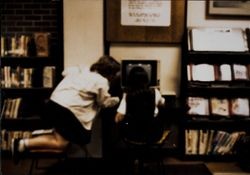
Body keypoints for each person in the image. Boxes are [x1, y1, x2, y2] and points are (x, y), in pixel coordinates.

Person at [11, 55, 121, 162]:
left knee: (61, 142)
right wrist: (117, 100)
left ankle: (24, 147)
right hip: (65, 111)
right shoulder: (102, 81)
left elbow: (64, 72)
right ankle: (23, 144)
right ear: (110, 73)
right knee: (61, 144)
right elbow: (103, 103)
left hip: (52, 104)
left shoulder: (82, 70)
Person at [115, 66, 165, 143]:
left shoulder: (127, 94)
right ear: (146, 79)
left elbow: (118, 118)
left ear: (130, 80)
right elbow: (162, 103)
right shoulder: (155, 92)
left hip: (132, 135)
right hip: (153, 135)